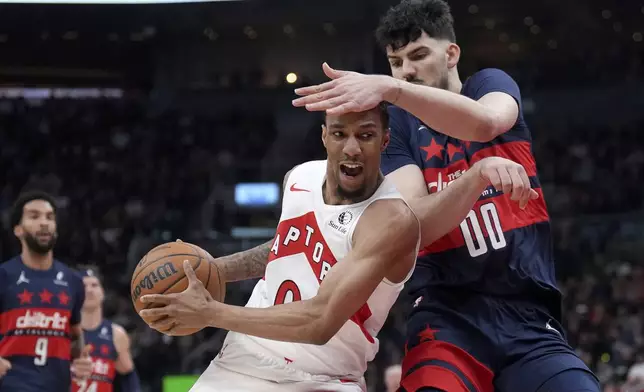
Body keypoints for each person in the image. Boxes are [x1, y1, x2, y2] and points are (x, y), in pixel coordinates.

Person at [291, 1, 601, 391]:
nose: (406, 70)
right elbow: (416, 224)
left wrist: (391, 88)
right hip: (446, 316)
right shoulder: (397, 128)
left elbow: (487, 122)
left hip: (528, 314)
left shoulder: (490, 84)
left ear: (451, 54)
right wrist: (474, 178)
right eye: (395, 61)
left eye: (418, 55)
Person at [139, 104, 537, 391]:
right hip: (240, 364)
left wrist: (211, 312)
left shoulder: (392, 220)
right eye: (340, 134)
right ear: (324, 136)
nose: (351, 148)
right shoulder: (299, 178)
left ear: (384, 141)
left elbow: (320, 320)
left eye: (365, 135)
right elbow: (284, 248)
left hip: (323, 380)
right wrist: (213, 269)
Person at [0, 191, 93, 391]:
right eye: (34, 216)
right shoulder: (4, 276)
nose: (44, 223)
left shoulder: (73, 281)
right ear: (18, 229)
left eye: (50, 217)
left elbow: (75, 335)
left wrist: (80, 360)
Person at [73, 267, 141, 392]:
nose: (89, 290)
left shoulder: (116, 334)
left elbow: (128, 376)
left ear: (102, 293)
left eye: (94, 285)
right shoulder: (63, 330)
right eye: (84, 286)